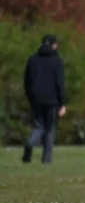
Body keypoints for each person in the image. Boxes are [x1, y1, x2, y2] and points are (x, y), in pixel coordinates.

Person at [22, 34, 67, 164]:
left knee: (38, 126)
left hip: (36, 99)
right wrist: (62, 103)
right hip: (52, 101)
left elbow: (27, 82)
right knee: (50, 128)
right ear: (54, 45)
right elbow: (60, 83)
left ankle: (30, 143)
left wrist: (30, 97)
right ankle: (46, 158)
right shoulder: (56, 61)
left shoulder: (32, 60)